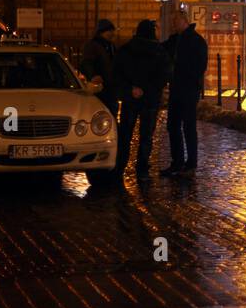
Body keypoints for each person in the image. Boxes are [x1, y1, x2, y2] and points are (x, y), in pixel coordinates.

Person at [113, 19, 171, 182]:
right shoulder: (159, 52)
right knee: (146, 136)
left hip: (130, 98)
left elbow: (117, 73)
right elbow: (164, 75)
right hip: (150, 99)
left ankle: (120, 167)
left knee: (125, 135)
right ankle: (142, 169)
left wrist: (131, 89)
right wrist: (147, 90)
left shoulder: (126, 49)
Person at [162, 9, 209, 177]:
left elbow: (199, 66)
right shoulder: (176, 40)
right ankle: (178, 162)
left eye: (175, 21)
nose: (173, 24)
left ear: (184, 20)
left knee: (188, 126)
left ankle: (190, 164)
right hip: (177, 88)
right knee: (173, 125)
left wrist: (187, 78)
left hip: (188, 89)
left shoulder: (196, 41)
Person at [79, 18, 118, 114]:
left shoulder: (110, 45)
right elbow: (86, 63)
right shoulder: (93, 45)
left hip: (110, 86)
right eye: (109, 31)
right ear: (102, 32)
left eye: (112, 31)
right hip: (99, 87)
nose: (112, 33)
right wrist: (92, 75)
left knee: (111, 110)